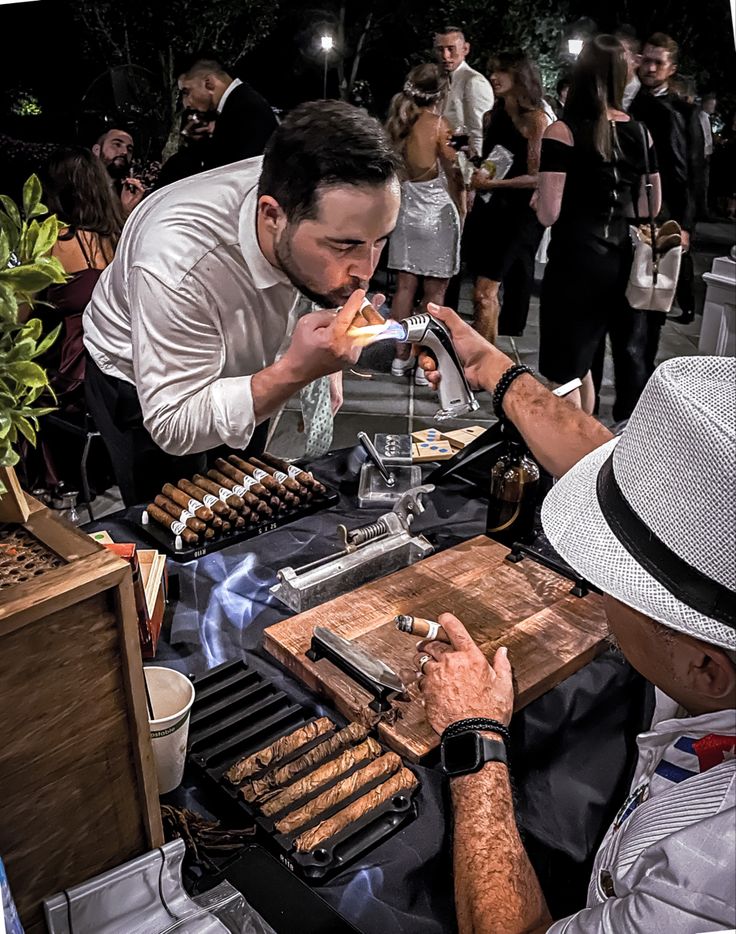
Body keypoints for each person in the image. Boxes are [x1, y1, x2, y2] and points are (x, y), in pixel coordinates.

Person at [415, 303, 735, 934]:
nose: (593, 585)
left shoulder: (709, 872)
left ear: (705, 665)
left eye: (618, 581)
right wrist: (499, 374)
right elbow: (646, 474)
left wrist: (475, 739)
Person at [83, 101, 401, 506]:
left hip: (249, 355)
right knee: (173, 528)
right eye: (345, 245)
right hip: (141, 378)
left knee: (245, 498)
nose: (366, 271)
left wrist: (318, 346)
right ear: (271, 214)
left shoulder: (300, 185)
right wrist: (298, 371)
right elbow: (173, 424)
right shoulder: (177, 262)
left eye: (380, 240)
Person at [535, 35, 661, 420]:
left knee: (567, 370)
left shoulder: (563, 131)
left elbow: (549, 213)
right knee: (600, 359)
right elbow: (649, 205)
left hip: (575, 262)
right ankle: (596, 452)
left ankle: (572, 460)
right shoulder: (640, 132)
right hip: (621, 260)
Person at [29, 146, 122, 493]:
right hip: (111, 366)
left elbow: (21, 313)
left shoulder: (51, 242)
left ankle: (41, 481)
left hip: (73, 374)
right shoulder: (116, 239)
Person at [463, 50, 549, 345]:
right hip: (489, 211)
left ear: (520, 77)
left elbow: (538, 176)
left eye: (501, 72)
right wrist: (470, 156)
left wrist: (493, 185)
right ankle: (486, 356)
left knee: (484, 293)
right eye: (492, 71)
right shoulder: (492, 116)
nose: (493, 78)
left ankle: (479, 364)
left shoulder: (536, 120)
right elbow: (490, 164)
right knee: (482, 294)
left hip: (517, 216)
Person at [385, 63, 463, 385]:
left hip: (405, 213)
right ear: (442, 93)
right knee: (435, 294)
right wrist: (462, 207)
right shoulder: (442, 126)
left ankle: (399, 357)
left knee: (404, 288)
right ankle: (424, 362)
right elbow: (459, 171)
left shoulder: (398, 123)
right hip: (436, 215)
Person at [630, 33, 703, 330]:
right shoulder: (630, 100)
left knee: (656, 286)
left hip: (665, 209)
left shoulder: (684, 112)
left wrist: (686, 224)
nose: (649, 68)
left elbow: (692, 172)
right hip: (632, 204)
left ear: (671, 68)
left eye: (658, 63)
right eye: (646, 60)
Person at [177, 54, 278, 168]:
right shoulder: (238, 105)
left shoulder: (245, 111)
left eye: (186, 92)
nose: (186, 104)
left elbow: (228, 169)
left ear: (209, 83)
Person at [434, 26, 494, 156]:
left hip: (463, 161)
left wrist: (475, 166)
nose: (445, 55)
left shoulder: (474, 81)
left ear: (465, 49)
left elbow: (479, 132)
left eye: (451, 49)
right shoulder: (437, 79)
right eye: (440, 50)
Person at [92, 127, 145, 216]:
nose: (124, 152)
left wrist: (127, 210)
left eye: (129, 149)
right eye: (117, 144)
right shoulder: (80, 186)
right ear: (97, 150)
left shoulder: (127, 194)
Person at [615, 27, 641, 112]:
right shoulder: (598, 92)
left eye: (619, 55)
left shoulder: (644, 100)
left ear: (636, 61)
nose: (612, 61)